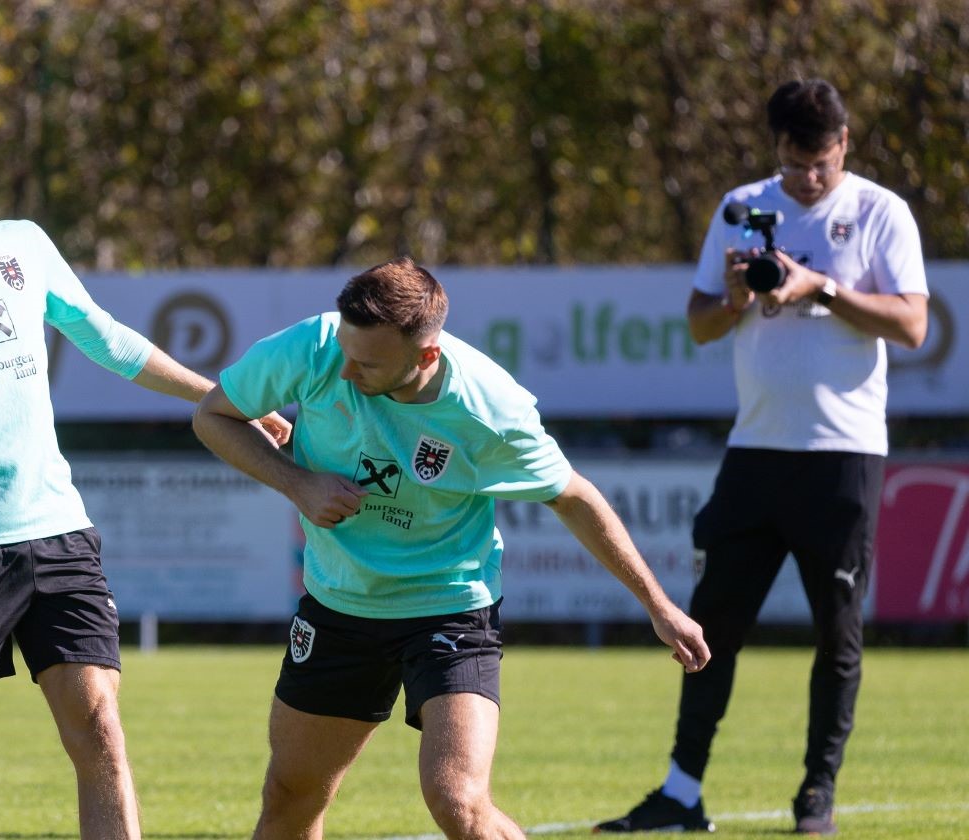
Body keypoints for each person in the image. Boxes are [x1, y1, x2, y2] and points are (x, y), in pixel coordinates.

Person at [0, 83, 290, 840]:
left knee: (101, 732)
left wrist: (224, 396)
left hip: (60, 532)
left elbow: (109, 340)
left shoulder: (26, 243)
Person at [192, 256, 711, 840]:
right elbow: (214, 416)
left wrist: (659, 607)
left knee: (458, 801)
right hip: (339, 605)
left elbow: (574, 497)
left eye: (367, 363)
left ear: (425, 356)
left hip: (450, 608)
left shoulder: (490, 411)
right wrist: (298, 483)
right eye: (345, 349)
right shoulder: (316, 346)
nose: (346, 370)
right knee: (291, 796)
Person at [595, 80, 929, 836]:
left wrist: (821, 288)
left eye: (820, 162)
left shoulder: (880, 211)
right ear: (774, 147)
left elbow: (912, 325)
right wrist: (738, 300)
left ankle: (817, 794)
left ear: (844, 144)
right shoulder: (742, 206)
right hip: (753, 452)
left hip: (842, 456)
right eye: (793, 161)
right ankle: (681, 793)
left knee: (837, 634)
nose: (806, 177)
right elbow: (700, 324)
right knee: (709, 626)